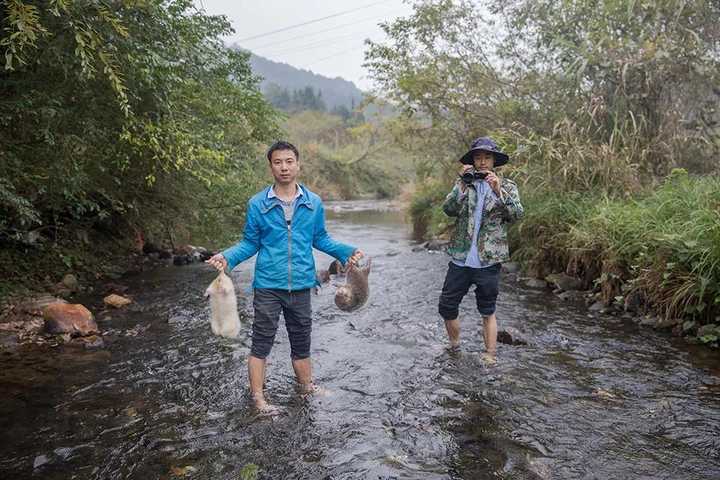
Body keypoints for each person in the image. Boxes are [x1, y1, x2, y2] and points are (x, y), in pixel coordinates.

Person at [206, 140, 363, 413]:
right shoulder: (257, 203)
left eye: (289, 161)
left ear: (298, 164)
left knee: (301, 341)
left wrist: (347, 251)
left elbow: (321, 238)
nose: (284, 167)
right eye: (278, 162)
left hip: (302, 284)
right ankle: (258, 398)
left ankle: (306, 387)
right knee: (261, 342)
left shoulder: (313, 202)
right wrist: (227, 257)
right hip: (268, 285)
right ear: (271, 167)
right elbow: (249, 243)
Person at [438, 137, 524, 363]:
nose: (483, 162)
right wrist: (462, 187)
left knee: (487, 309)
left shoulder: (508, 186)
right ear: (473, 161)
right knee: (447, 306)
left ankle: (490, 354)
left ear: (494, 160)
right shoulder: (464, 183)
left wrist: (498, 193)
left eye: (487, 157)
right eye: (478, 157)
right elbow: (448, 209)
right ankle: (455, 346)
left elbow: (517, 215)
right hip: (461, 258)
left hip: (489, 260)